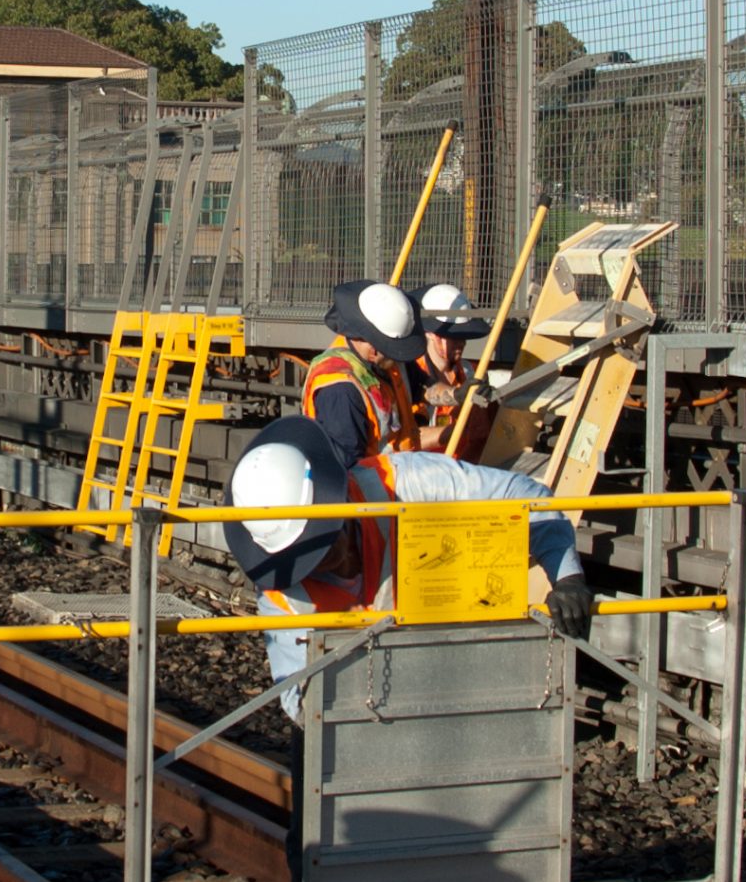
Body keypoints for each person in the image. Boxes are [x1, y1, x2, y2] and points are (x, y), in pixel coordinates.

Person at [220, 415, 597, 726]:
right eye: (310, 555)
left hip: (456, 683)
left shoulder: (403, 485)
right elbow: (298, 700)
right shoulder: (278, 591)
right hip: (362, 723)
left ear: (339, 498)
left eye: (326, 540)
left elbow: (527, 499)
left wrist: (568, 578)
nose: (327, 559)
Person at [299, 279, 427, 467]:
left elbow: (422, 387)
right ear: (374, 350)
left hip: (400, 475)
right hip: (373, 482)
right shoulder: (341, 391)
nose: (399, 359)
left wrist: (456, 394)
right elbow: (346, 469)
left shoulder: (388, 362)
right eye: (394, 351)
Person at [412, 282, 497, 458]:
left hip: (462, 469)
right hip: (421, 469)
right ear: (430, 334)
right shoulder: (411, 376)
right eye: (454, 336)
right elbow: (410, 438)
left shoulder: (471, 373)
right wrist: (458, 431)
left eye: (464, 335)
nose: (462, 342)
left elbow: (480, 438)